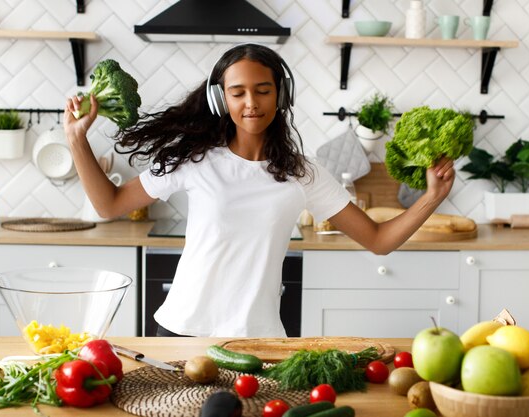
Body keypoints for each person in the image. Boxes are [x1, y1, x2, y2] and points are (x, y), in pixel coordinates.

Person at [63, 43, 455, 338]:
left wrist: (432, 197)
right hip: (181, 332)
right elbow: (108, 204)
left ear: (280, 94)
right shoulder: (192, 160)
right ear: (221, 98)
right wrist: (77, 139)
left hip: (259, 341)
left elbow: (379, 240)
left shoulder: (304, 173)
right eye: (238, 92)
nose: (251, 103)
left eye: (263, 90)